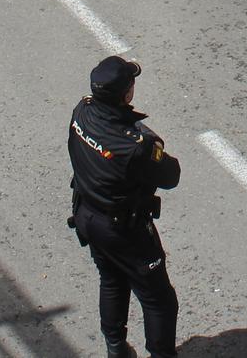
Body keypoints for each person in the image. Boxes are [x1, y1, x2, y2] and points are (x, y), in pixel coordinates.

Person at [66, 56, 181, 358]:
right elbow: (171, 175)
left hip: (87, 214)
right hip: (123, 229)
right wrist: (148, 142)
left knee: (112, 278)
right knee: (159, 300)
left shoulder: (82, 113)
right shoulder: (135, 146)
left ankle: (115, 349)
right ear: (126, 94)